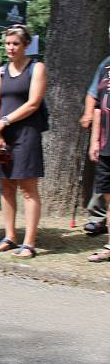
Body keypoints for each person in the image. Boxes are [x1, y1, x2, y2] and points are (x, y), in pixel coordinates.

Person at [0, 25, 47, 259]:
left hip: (27, 134)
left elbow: (33, 103)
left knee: (28, 189)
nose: (11, 48)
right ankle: (10, 236)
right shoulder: (1, 71)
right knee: (6, 186)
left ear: (26, 45)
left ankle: (29, 242)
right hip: (4, 135)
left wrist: (4, 120)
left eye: (15, 44)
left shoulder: (37, 68)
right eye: (8, 43)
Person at [81, 48, 110, 236]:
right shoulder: (105, 64)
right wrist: (88, 114)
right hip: (107, 135)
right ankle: (98, 218)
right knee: (105, 182)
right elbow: (94, 95)